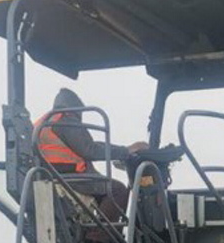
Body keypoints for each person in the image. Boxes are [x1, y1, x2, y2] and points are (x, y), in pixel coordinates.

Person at [34, 88, 148, 235]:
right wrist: (126, 151)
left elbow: (89, 145)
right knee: (117, 190)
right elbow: (90, 149)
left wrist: (123, 150)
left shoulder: (46, 123)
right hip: (71, 178)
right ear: (75, 109)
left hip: (56, 175)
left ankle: (93, 234)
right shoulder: (65, 122)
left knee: (105, 190)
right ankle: (100, 240)